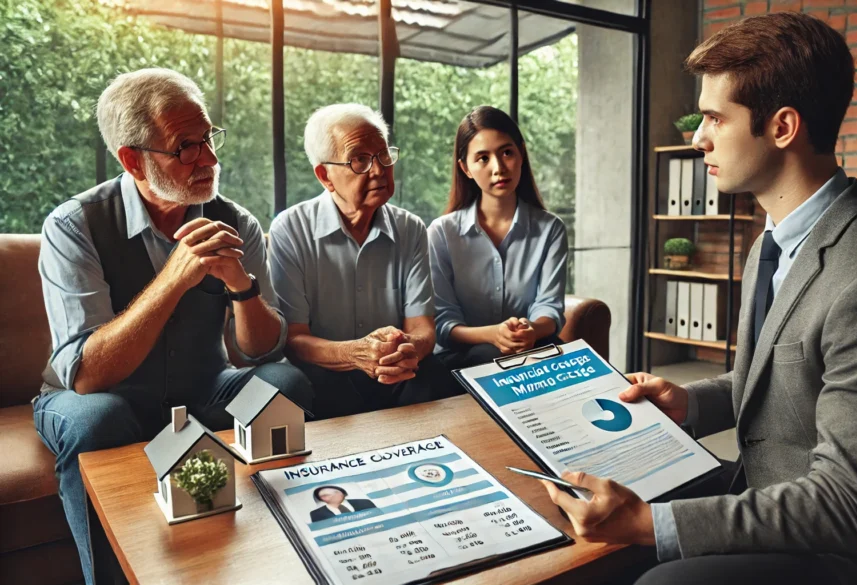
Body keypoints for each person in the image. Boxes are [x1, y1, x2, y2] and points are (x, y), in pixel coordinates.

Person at [538, 13, 857, 585]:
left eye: (715, 117)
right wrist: (691, 404)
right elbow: (786, 380)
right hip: (771, 489)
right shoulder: (771, 243)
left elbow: (848, 506)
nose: (697, 137)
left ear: (783, 127)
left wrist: (649, 524)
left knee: (656, 574)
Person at [33, 68, 313, 584]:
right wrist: (173, 278)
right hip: (92, 396)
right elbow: (86, 374)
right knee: (98, 418)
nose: (208, 159)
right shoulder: (74, 226)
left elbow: (262, 352)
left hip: (203, 385)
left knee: (284, 386)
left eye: (208, 138)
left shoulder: (236, 222)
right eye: (185, 146)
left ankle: (289, 557)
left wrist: (242, 286)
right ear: (132, 159)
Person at [270, 104, 457, 419]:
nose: (378, 171)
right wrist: (355, 354)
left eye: (384, 156)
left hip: (393, 371)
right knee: (305, 389)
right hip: (324, 370)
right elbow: (294, 339)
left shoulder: (411, 229)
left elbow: (423, 327)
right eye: (360, 160)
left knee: (438, 376)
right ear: (324, 175)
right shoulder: (290, 229)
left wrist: (407, 349)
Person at [428, 106, 568, 370]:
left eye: (506, 152)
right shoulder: (441, 233)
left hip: (530, 351)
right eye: (482, 158)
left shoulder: (551, 229)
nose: (499, 167)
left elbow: (549, 307)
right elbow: (443, 323)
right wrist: (494, 334)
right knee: (490, 356)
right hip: (461, 359)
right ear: (465, 168)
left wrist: (531, 329)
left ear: (521, 154)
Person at [309, 485, 376, 522]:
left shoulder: (365, 503)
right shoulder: (316, 514)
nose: (334, 496)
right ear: (321, 499)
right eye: (326, 495)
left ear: (343, 493)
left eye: (336, 492)